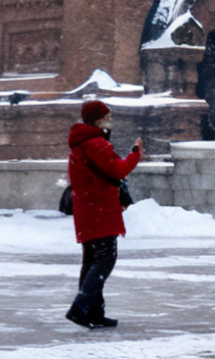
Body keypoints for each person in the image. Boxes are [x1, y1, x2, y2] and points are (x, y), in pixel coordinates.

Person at [65, 99, 141, 330]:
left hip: (87, 210)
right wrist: (135, 155)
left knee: (91, 260)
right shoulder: (96, 145)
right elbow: (117, 169)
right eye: (106, 118)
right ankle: (81, 307)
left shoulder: (81, 144)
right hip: (100, 210)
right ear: (96, 121)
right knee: (105, 259)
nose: (110, 122)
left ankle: (94, 312)